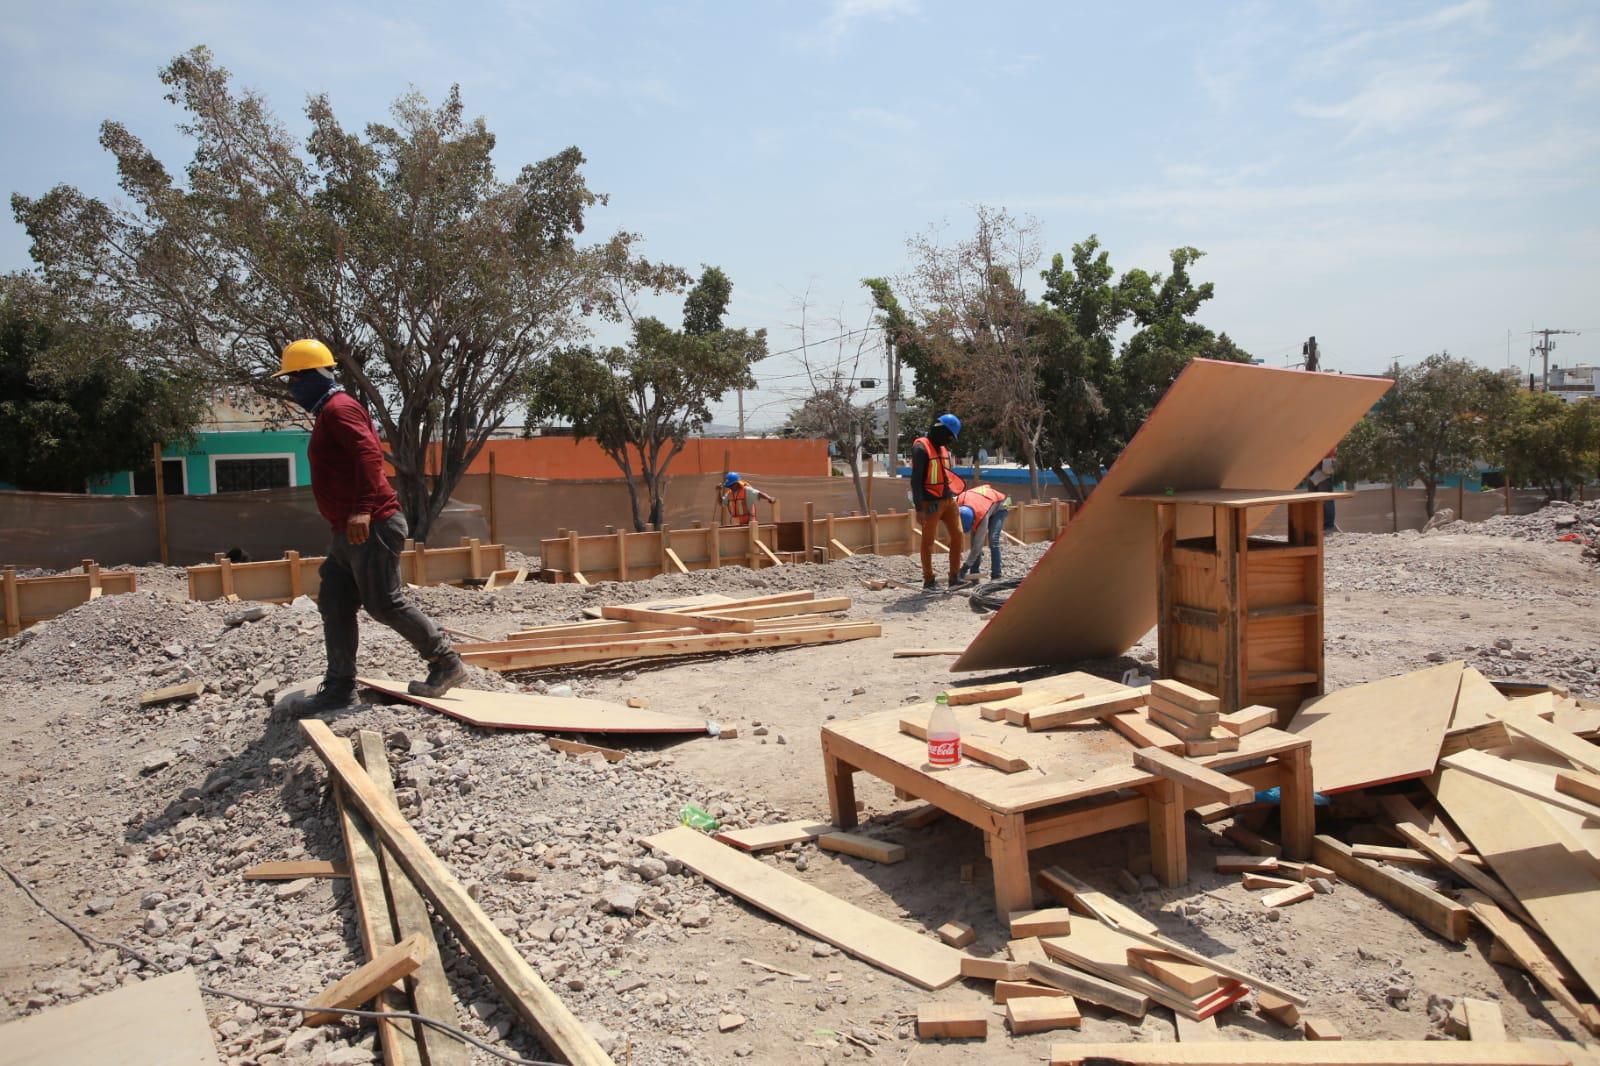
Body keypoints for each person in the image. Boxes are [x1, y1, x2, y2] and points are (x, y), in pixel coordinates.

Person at [273, 339, 466, 715]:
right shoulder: (329, 410)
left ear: (311, 376)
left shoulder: (339, 409)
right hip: (348, 530)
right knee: (335, 600)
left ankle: (446, 663)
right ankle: (340, 688)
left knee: (383, 602)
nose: (291, 389)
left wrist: (362, 509)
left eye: (293, 380)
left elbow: (368, 454)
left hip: (371, 523)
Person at [910, 414, 966, 589]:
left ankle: (954, 578)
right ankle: (929, 579)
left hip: (948, 500)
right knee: (928, 542)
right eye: (949, 436)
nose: (949, 440)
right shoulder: (921, 447)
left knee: (958, 536)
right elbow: (916, 481)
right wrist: (919, 508)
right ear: (941, 430)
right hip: (930, 504)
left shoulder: (943, 450)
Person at [956, 484, 1011, 582]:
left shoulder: (982, 517)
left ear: (973, 520)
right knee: (974, 542)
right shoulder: (959, 501)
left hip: (1000, 505)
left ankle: (996, 575)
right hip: (984, 502)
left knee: (993, 540)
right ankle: (974, 575)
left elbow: (978, 545)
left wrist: (965, 567)